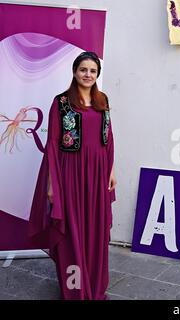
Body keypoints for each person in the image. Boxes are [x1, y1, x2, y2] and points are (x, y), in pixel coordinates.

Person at [28, 51, 117, 300]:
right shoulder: (61, 102)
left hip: (98, 174)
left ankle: (94, 283)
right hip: (71, 174)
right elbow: (53, 144)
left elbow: (109, 138)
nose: (87, 74)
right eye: (83, 70)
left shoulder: (103, 100)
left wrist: (111, 171)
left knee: (96, 229)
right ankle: (75, 288)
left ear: (97, 74)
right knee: (73, 229)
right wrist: (51, 184)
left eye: (92, 71)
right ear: (75, 72)